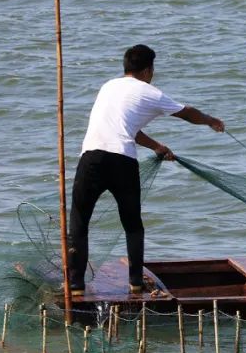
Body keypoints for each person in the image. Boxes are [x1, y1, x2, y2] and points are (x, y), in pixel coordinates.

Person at [68, 44, 224, 295]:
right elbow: (186, 113)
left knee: (79, 222)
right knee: (132, 225)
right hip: (122, 162)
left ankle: (75, 285)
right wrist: (210, 121)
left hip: (91, 159)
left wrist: (156, 147)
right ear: (148, 70)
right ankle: (135, 282)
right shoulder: (149, 92)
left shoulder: (107, 87)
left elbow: (126, 128)